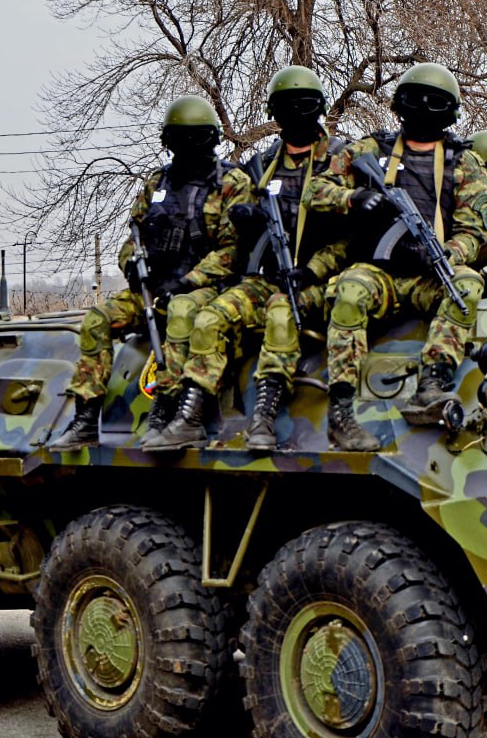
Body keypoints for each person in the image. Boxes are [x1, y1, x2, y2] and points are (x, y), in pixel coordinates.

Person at [147, 67, 350, 451]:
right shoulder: (262, 166)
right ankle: (188, 416)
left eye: (305, 105)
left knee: (279, 315)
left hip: (318, 280)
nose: (297, 114)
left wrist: (312, 269)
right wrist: (250, 222)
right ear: (274, 111)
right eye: (287, 106)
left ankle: (264, 419)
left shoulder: (342, 160)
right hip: (267, 278)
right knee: (208, 318)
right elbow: (235, 236)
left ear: (320, 109)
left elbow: (352, 236)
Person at [305, 62, 487, 451]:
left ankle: (432, 384)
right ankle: (341, 410)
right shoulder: (369, 150)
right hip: (380, 274)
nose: (425, 108)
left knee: (466, 284)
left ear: (450, 113)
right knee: (350, 290)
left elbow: (474, 230)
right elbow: (315, 192)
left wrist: (446, 253)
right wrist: (356, 198)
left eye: (435, 103)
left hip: (429, 275)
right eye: (416, 100)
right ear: (399, 105)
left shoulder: (465, 163)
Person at [50, 95, 252, 450]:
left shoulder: (231, 182)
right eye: (179, 139)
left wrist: (187, 282)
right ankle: (86, 415)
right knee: (97, 320)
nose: (187, 148)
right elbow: (134, 236)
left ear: (211, 139)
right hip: (153, 287)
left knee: (180, 312)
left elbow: (231, 252)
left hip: (205, 289)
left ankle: (167, 408)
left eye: (195, 138)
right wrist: (132, 264)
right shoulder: (157, 184)